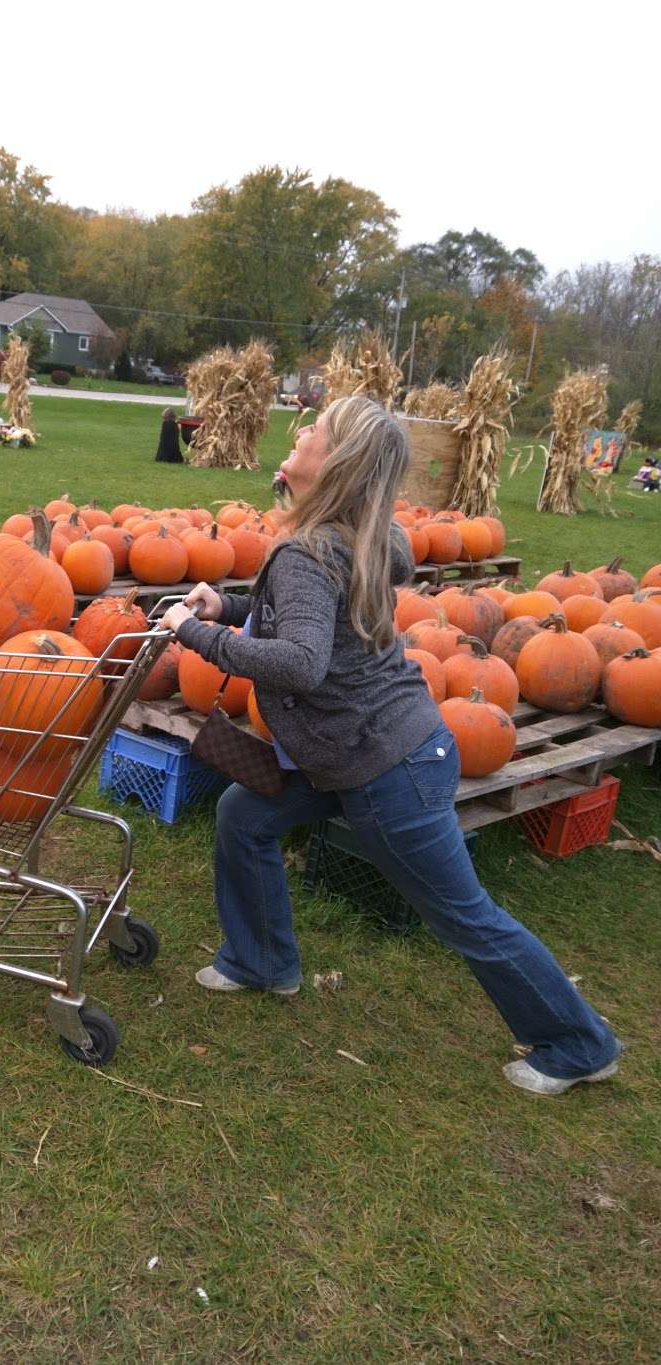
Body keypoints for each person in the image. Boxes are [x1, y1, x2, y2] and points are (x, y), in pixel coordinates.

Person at [160, 396, 621, 1097]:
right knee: (242, 817)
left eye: (317, 429)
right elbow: (309, 622)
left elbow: (301, 661)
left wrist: (194, 635)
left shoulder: (305, 549)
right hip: (369, 749)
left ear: (338, 463)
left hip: (386, 771)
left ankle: (579, 1042)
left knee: (465, 915)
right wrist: (228, 608)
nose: (302, 429)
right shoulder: (356, 534)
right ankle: (261, 961)